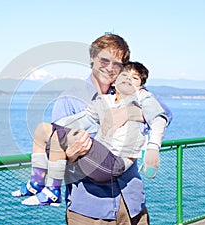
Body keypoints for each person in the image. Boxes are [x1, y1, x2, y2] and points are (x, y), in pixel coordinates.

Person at [14, 34, 171, 224]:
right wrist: (70, 154)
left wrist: (129, 113)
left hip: (132, 203)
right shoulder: (70, 98)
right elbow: (54, 150)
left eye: (117, 63)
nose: (110, 68)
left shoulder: (130, 90)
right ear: (93, 59)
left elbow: (164, 113)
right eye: (104, 60)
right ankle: (40, 186)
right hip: (89, 211)